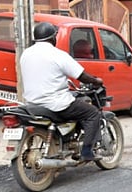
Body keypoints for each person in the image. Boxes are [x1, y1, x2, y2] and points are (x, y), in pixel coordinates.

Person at [19, 22, 105, 162]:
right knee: (92, 113)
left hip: (33, 103)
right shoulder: (57, 55)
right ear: (53, 38)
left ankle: (66, 141)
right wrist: (96, 81)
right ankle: (87, 152)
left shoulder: (26, 54)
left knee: (75, 105)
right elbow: (81, 75)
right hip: (56, 103)